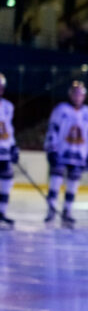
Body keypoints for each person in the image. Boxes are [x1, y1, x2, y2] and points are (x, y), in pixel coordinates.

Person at [44, 81, 88, 228]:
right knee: (55, 182)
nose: (77, 97)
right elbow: (53, 130)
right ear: (70, 94)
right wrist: (51, 149)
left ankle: (67, 210)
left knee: (73, 185)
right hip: (61, 152)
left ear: (84, 96)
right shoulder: (61, 110)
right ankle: (52, 210)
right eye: (75, 93)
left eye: (80, 94)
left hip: (79, 155)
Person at [0, 72, 17, 229]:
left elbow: (9, 129)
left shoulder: (7, 106)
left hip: (3, 152)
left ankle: (2, 212)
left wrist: (13, 146)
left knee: (6, 180)